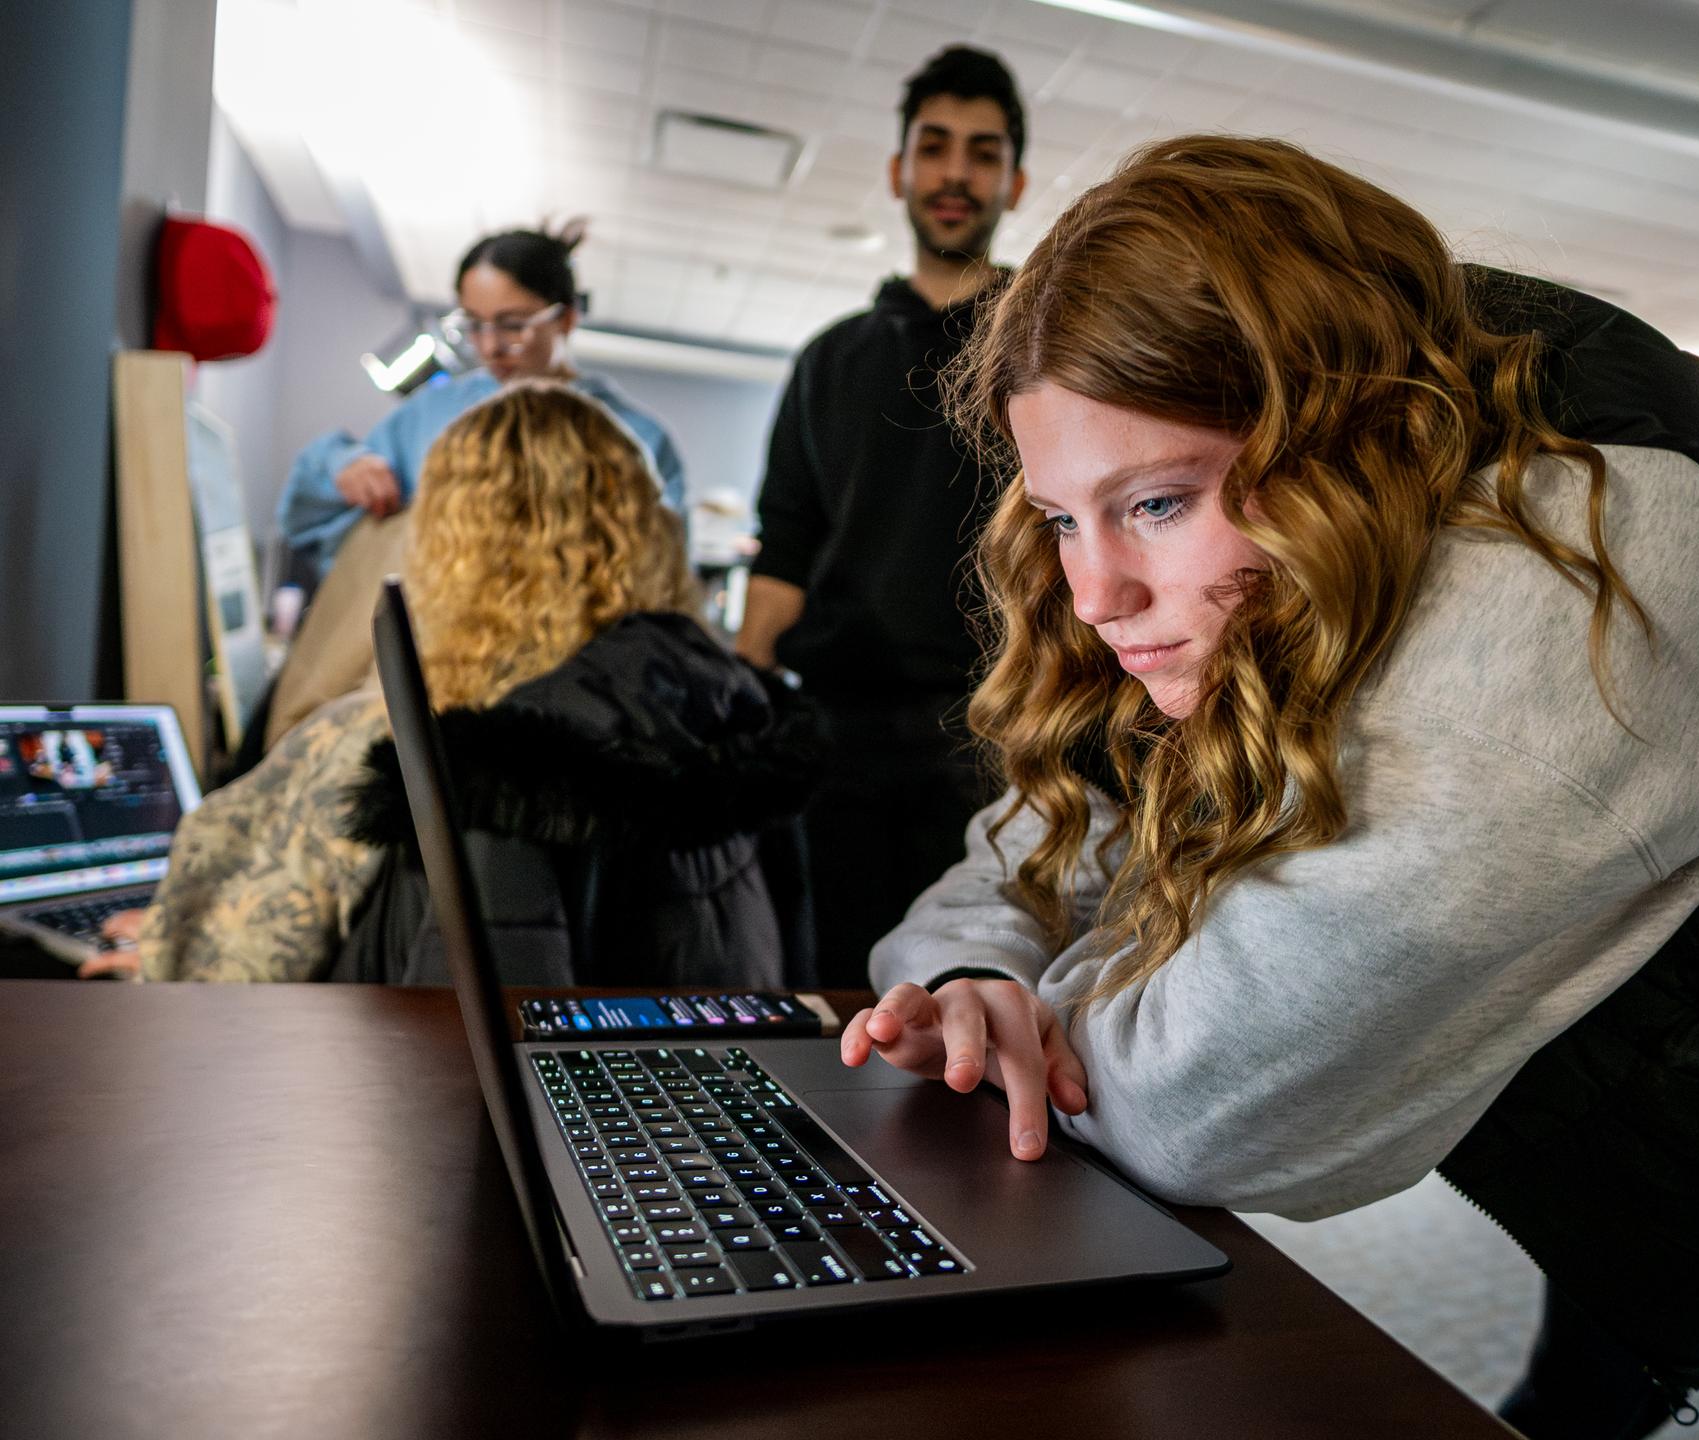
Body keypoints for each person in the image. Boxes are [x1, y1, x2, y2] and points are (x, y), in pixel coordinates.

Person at [839, 135, 1699, 1437]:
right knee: (1605, 1323)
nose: (1094, 594)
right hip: (1636, 1074)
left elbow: (1203, 1107)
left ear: (1328, 433)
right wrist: (979, 982)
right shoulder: (1320, 530)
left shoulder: (1596, 580)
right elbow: (1041, 837)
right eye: (1067, 516)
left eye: (1160, 504)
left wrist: (1045, 1025)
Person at [87, 382, 814, 986]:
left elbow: (234, 967)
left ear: (448, 543)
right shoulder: (725, 715)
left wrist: (164, 945)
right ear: (646, 531)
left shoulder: (384, 741)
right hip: (674, 1111)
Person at [734, 45, 1028, 986]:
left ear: (1013, 182)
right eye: (935, 148)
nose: (955, 173)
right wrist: (742, 694)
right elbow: (785, 541)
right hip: (840, 733)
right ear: (900, 171)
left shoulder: (1048, 354)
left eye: (982, 153)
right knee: (835, 986)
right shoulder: (829, 360)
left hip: (997, 733)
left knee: (980, 988)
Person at [277, 222, 685, 578]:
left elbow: (660, 578)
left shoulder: (635, 440)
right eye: (474, 325)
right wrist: (345, 465)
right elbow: (307, 506)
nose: (490, 346)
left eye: (513, 325)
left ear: (565, 318)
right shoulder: (435, 415)